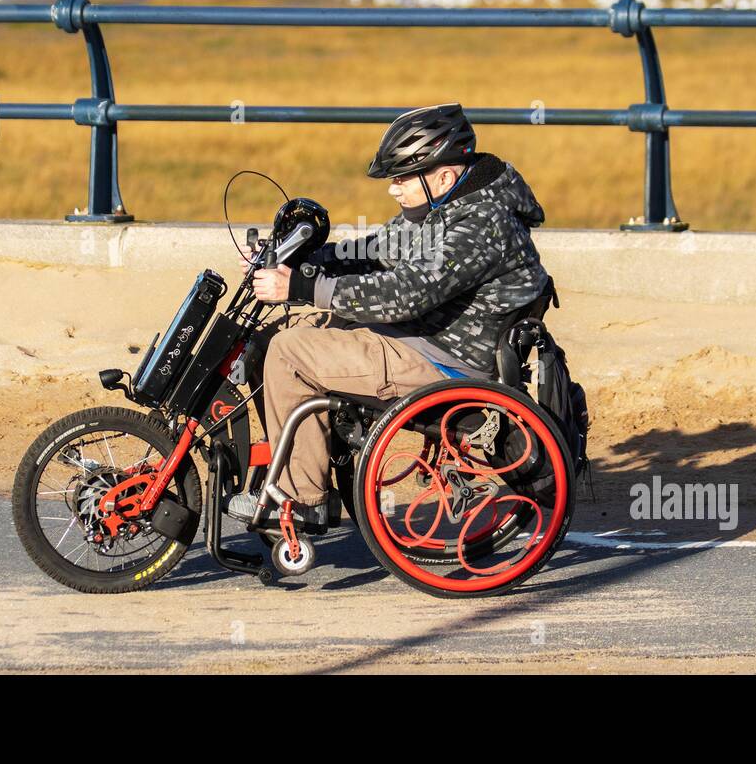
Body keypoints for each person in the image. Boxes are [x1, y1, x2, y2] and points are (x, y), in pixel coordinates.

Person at [226, 102, 550, 528]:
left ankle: (302, 498)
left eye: (400, 179)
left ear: (444, 176)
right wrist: (306, 259)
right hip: (423, 338)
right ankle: (300, 461)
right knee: (284, 332)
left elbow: (405, 294)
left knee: (290, 352)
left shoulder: (482, 224)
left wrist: (306, 288)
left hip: (445, 363)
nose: (393, 190)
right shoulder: (448, 204)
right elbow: (375, 253)